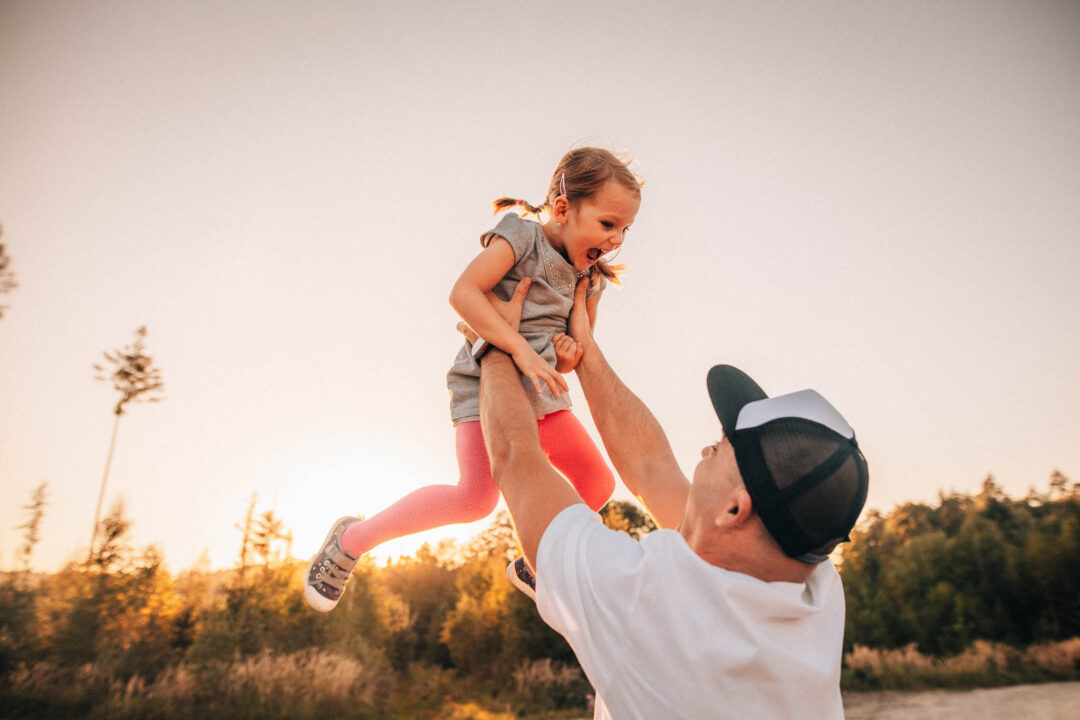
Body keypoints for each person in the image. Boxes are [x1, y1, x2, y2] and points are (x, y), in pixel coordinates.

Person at [476, 277, 869, 719]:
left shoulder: (643, 606)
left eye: (721, 447)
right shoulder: (813, 583)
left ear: (735, 508)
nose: (705, 451)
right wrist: (585, 349)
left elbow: (517, 460)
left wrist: (492, 340)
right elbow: (651, 467)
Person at [304, 147, 642, 612]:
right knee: (475, 499)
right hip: (486, 381)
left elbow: (569, 352)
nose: (617, 238)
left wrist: (565, 357)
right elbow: (463, 293)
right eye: (608, 224)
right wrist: (519, 350)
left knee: (597, 482)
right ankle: (350, 540)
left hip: (540, 395)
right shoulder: (521, 237)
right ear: (563, 209)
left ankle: (538, 564)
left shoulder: (591, 281)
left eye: (625, 229)